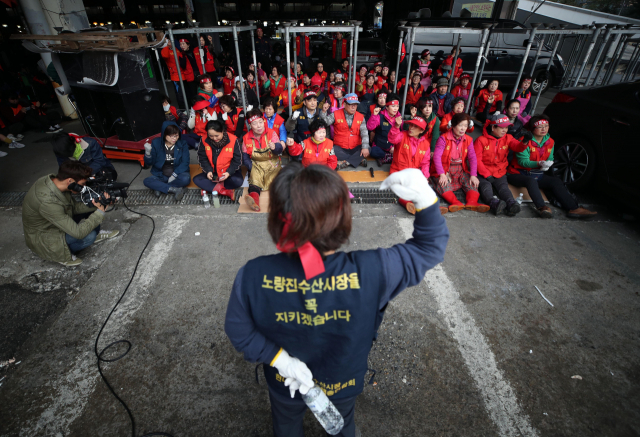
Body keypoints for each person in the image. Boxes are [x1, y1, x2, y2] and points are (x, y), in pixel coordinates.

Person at [224, 163, 449, 437]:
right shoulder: (374, 270)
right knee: (342, 426)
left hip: (285, 381)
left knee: (285, 425)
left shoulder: (253, 275)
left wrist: (280, 359)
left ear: (277, 221)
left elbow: (238, 329)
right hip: (342, 383)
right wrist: (425, 198)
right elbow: (429, 247)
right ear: (342, 221)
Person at [22, 160, 119, 267]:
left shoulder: (55, 182)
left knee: (91, 208)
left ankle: (96, 232)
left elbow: (74, 207)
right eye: (82, 184)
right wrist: (101, 211)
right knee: (89, 237)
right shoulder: (47, 201)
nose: (84, 186)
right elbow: (78, 233)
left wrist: (98, 202)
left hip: (55, 220)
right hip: (46, 235)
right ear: (70, 181)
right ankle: (61, 256)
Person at [507, 115, 597, 219]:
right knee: (530, 181)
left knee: (556, 181)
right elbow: (523, 162)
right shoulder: (525, 140)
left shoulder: (550, 142)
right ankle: (542, 208)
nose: (544, 129)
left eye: (546, 126)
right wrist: (539, 163)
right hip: (517, 173)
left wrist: (547, 164)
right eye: (540, 127)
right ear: (532, 129)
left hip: (537, 174)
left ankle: (574, 208)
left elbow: (550, 157)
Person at [386, 116, 448, 215]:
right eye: (411, 125)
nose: (411, 128)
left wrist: (425, 176)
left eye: (415, 126)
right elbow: (392, 139)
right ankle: (413, 204)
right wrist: (396, 126)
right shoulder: (402, 135)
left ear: (421, 130)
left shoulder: (425, 144)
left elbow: (425, 163)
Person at [474, 114, 532, 216]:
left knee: (503, 188)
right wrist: (487, 174)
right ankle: (494, 204)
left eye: (506, 127)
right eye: (502, 127)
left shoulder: (508, 138)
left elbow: (517, 148)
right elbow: (476, 160)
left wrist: (525, 141)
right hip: (483, 172)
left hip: (500, 171)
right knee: (486, 187)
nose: (505, 130)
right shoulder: (481, 140)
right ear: (493, 127)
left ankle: (511, 204)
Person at [431, 113, 487, 212]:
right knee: (443, 183)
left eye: (465, 125)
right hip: (445, 170)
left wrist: (473, 175)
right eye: (460, 125)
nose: (463, 128)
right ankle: (455, 203)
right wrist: (442, 174)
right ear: (453, 125)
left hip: (460, 169)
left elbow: (472, 157)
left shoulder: (468, 139)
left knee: (472, 182)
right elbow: (436, 156)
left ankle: (472, 202)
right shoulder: (443, 138)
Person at [242, 108, 285, 212]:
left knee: (278, 183)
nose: (259, 126)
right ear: (250, 125)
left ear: (264, 121)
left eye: (260, 122)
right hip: (256, 164)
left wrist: (275, 147)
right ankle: (254, 199)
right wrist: (251, 168)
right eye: (255, 123)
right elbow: (245, 157)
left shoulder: (271, 133)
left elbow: (279, 149)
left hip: (272, 164)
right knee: (254, 182)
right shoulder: (246, 138)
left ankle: (282, 201)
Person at [193, 120, 243, 200]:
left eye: (217, 135)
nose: (214, 138)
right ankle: (225, 192)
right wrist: (208, 170)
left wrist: (228, 172)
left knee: (238, 181)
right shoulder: (203, 140)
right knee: (196, 179)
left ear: (223, 131)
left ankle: (210, 188)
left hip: (228, 173)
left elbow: (238, 160)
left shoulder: (234, 140)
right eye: (211, 136)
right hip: (213, 173)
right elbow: (202, 158)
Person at [143, 121, 191, 201]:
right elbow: (149, 163)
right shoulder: (156, 143)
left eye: (176, 135)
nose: (175, 138)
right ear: (164, 135)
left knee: (186, 179)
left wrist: (174, 175)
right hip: (161, 174)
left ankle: (159, 187)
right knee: (147, 181)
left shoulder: (182, 144)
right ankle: (174, 189)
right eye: (171, 136)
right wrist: (148, 153)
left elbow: (185, 162)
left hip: (177, 174)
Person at [320, 93, 370, 169]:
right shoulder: (336, 114)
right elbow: (324, 123)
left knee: (368, 148)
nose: (353, 107)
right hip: (340, 148)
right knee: (330, 150)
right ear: (344, 104)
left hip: (355, 147)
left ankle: (346, 162)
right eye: (351, 104)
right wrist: (323, 112)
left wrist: (365, 147)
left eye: (355, 104)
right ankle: (357, 160)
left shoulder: (360, 117)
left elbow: (364, 132)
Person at [52, 133, 117, 179]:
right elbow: (63, 168)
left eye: (70, 153)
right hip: (79, 175)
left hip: (94, 171)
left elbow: (100, 162)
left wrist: (84, 174)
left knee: (109, 176)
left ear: (74, 142)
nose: (70, 155)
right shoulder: (60, 151)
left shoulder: (91, 143)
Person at [366, 92, 399, 166]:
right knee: (373, 151)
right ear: (386, 107)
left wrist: (394, 147)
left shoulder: (399, 118)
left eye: (397, 106)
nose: (395, 109)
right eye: (393, 106)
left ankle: (388, 156)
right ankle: (388, 156)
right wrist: (374, 115)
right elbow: (369, 127)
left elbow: (400, 135)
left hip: (392, 148)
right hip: (379, 146)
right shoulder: (380, 116)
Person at [160, 39, 188, 107]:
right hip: (176, 76)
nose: (170, 42)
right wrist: (167, 45)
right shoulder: (166, 50)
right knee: (180, 94)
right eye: (169, 41)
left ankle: (187, 107)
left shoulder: (176, 48)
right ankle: (183, 108)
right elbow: (165, 56)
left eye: (171, 41)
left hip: (184, 74)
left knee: (185, 93)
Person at [178, 39, 199, 104]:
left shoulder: (194, 52)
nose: (182, 46)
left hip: (198, 74)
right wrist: (184, 56)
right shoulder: (181, 54)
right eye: (181, 44)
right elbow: (183, 65)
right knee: (192, 94)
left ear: (188, 45)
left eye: (183, 44)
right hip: (190, 77)